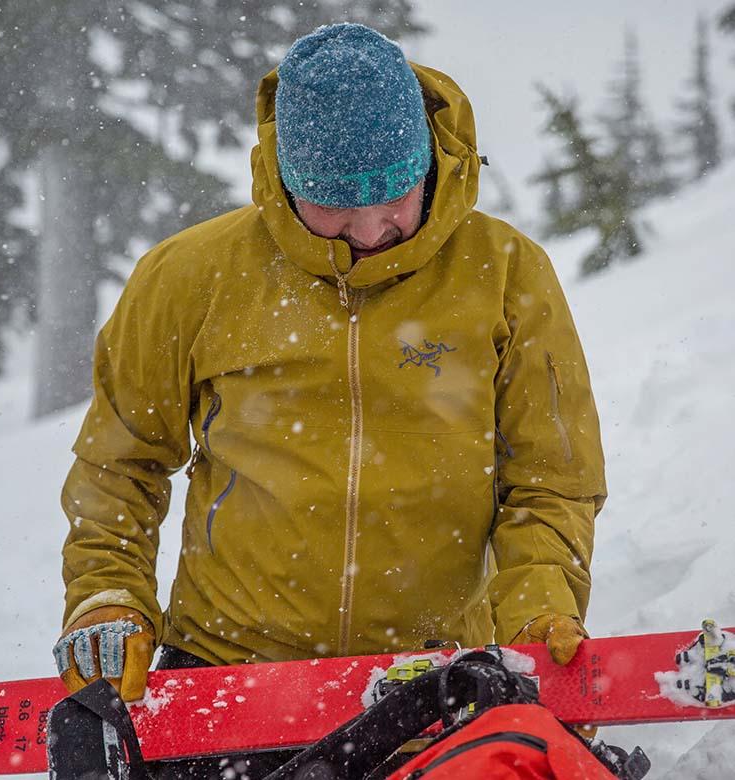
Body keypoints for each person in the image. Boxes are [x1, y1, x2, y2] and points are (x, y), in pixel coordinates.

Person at [54, 22, 606, 724]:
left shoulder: (506, 275)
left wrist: (538, 603)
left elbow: (551, 479)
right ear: (286, 179)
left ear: (429, 164)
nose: (372, 230)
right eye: (337, 205)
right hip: (225, 682)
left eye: (395, 195)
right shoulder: (189, 277)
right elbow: (119, 464)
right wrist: (107, 594)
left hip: (434, 679)